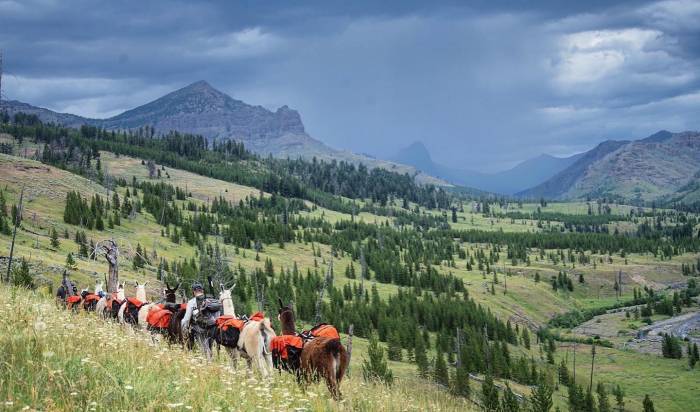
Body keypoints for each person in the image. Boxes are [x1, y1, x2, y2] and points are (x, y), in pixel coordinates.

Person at [181, 281, 222, 359]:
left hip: (200, 329)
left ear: (193, 292)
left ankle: (208, 364)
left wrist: (184, 331)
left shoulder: (192, 302)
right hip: (213, 328)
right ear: (202, 291)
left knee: (204, 349)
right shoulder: (211, 300)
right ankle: (211, 361)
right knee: (209, 348)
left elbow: (186, 320)